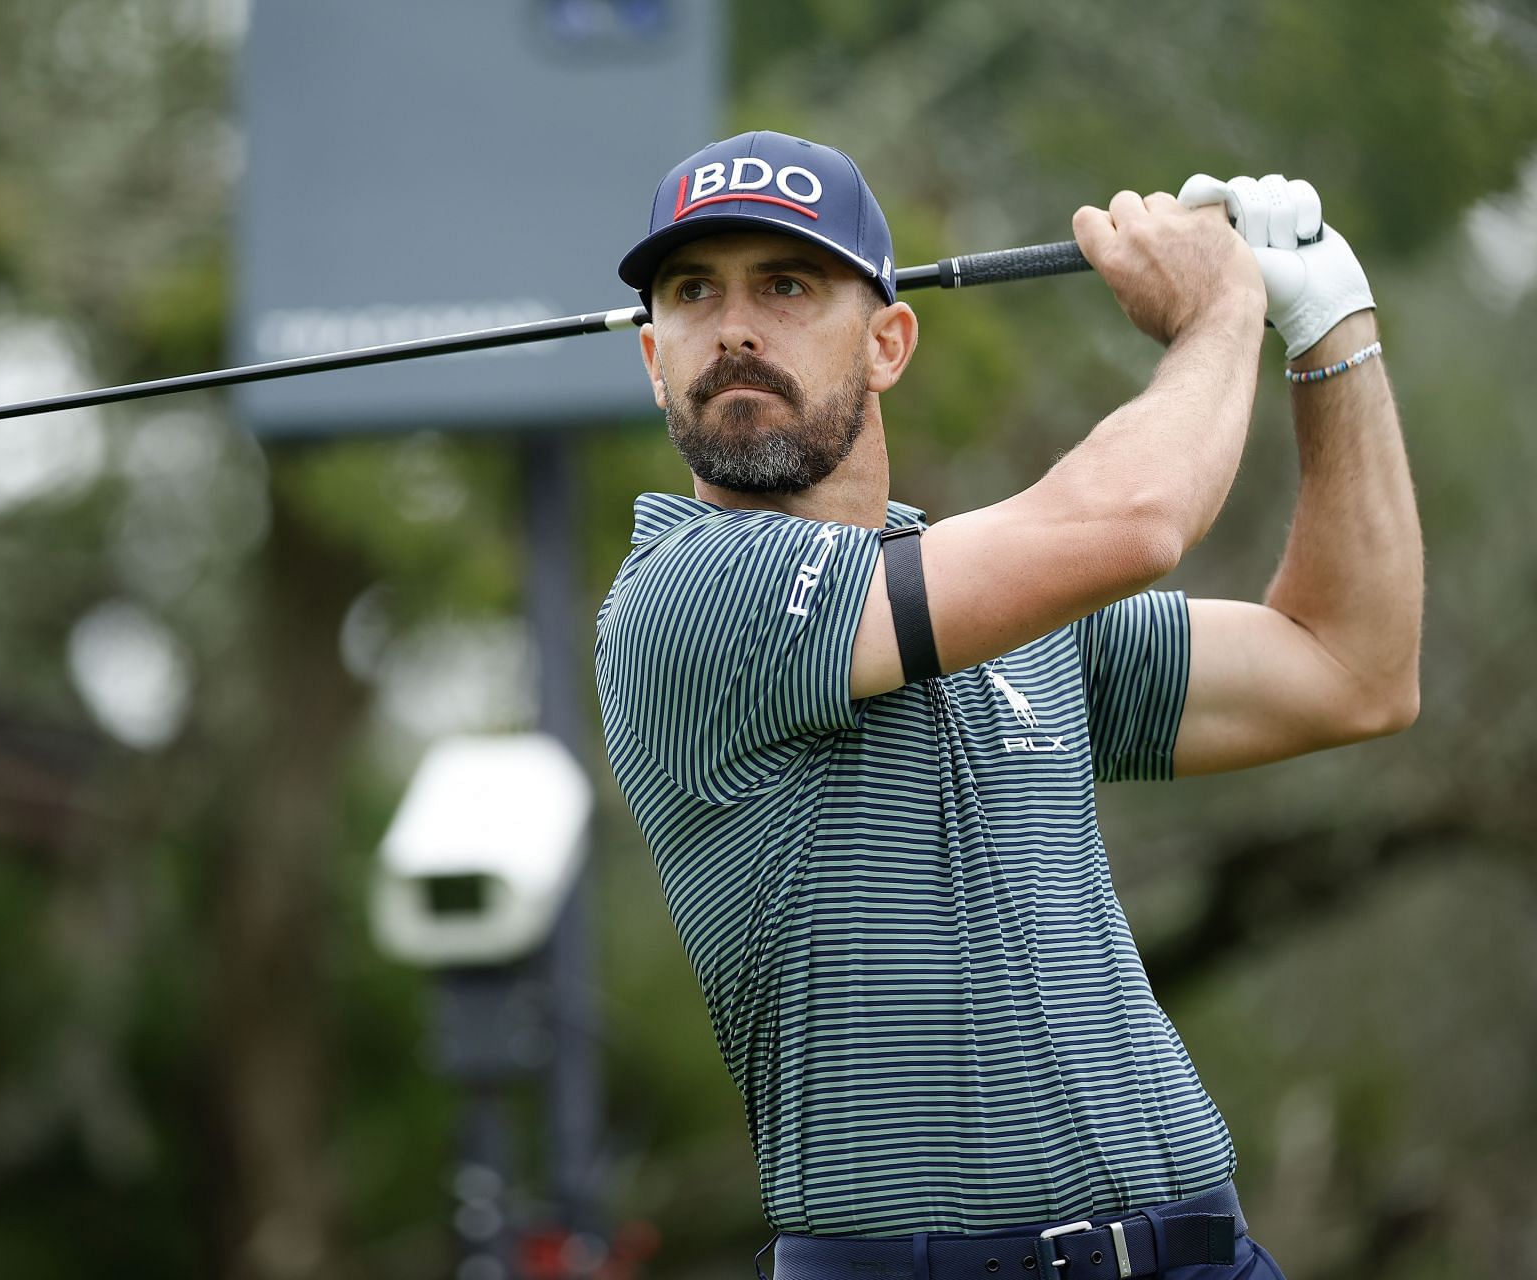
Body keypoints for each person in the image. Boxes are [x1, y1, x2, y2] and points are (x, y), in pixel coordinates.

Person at [593, 130, 1421, 1280]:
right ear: (652, 356)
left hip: (1203, 1251)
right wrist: (1225, 312)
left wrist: (1330, 327)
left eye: (785, 284)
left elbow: (1353, 666)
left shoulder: (1007, 613)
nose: (734, 325)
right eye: (693, 292)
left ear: (888, 340)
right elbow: (1136, 520)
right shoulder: (682, 600)